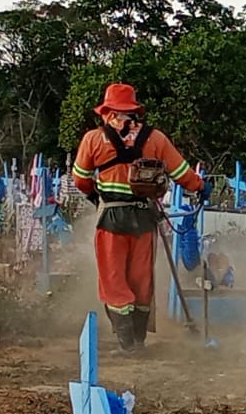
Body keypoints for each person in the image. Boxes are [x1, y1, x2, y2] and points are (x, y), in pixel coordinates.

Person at [71, 83, 205, 352]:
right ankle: (140, 339)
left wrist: (95, 196)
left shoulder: (94, 139)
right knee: (141, 278)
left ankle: (126, 342)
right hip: (144, 219)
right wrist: (200, 187)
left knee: (113, 279)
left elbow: (80, 179)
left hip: (111, 219)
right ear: (134, 111)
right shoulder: (155, 139)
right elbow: (181, 172)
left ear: (107, 111)